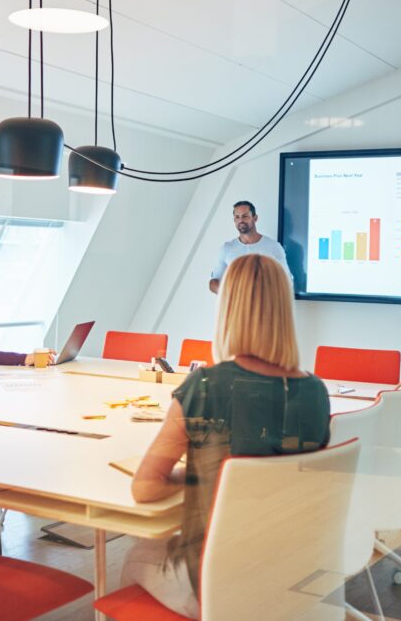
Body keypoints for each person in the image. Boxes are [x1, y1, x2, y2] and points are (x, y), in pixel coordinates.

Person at [121, 254, 331, 618]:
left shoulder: (205, 386)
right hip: (293, 572)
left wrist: (197, 476)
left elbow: (146, 487)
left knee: (136, 554)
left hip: (218, 583)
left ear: (228, 310)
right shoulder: (315, 390)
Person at [208, 201, 289, 294]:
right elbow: (213, 282)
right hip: (236, 303)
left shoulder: (273, 247)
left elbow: (286, 281)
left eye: (245, 216)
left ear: (255, 218)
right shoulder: (227, 248)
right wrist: (234, 295)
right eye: (237, 217)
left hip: (264, 302)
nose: (241, 220)